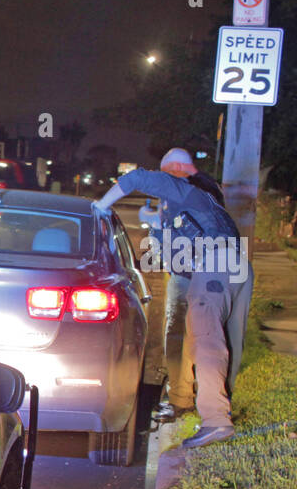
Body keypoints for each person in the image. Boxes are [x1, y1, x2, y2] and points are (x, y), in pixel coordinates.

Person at [95, 162, 252, 448]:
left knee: (205, 341)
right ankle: (222, 407)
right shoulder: (204, 204)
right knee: (228, 341)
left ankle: (216, 421)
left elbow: (138, 178)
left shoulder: (185, 189)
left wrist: (101, 206)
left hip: (215, 265)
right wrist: (157, 226)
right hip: (237, 266)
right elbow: (172, 259)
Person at [144, 148, 226, 423]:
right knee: (202, 335)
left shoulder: (183, 192)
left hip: (188, 274)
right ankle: (202, 395)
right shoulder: (208, 188)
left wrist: (155, 224)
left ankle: (180, 399)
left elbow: (176, 230)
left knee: (179, 336)